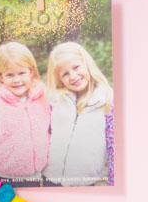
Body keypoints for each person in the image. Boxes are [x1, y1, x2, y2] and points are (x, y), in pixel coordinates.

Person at [45, 42, 114, 186]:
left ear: (86, 63)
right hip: (51, 178)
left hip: (84, 182)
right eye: (65, 74)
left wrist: (113, 183)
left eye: (76, 67)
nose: (73, 76)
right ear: (59, 78)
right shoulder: (57, 100)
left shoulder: (106, 99)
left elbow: (114, 146)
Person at [0, 42, 50, 183]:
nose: (17, 80)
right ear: (1, 77)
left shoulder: (43, 100)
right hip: (6, 179)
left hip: (37, 177)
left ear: (31, 72)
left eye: (21, 73)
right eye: (10, 75)